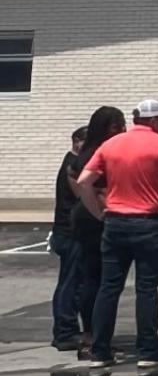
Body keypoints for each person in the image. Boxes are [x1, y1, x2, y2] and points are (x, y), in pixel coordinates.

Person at [77, 97, 158, 371]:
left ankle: (100, 350)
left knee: (109, 287)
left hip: (115, 222)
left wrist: (99, 213)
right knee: (146, 288)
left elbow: (83, 181)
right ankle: (148, 349)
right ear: (155, 120)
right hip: (149, 223)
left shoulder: (111, 144)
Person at [66, 107, 126, 361]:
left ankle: (92, 335)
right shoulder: (98, 153)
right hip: (95, 221)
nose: (123, 131)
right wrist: (104, 212)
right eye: (118, 126)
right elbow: (93, 188)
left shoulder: (86, 153)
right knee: (99, 281)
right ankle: (93, 337)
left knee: (95, 279)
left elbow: (74, 176)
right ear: (106, 128)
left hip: (85, 218)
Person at [50, 125, 89, 351]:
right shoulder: (72, 166)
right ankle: (65, 332)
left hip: (69, 232)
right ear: (76, 141)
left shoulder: (73, 163)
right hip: (69, 233)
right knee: (70, 283)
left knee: (75, 282)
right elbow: (81, 194)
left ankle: (69, 329)